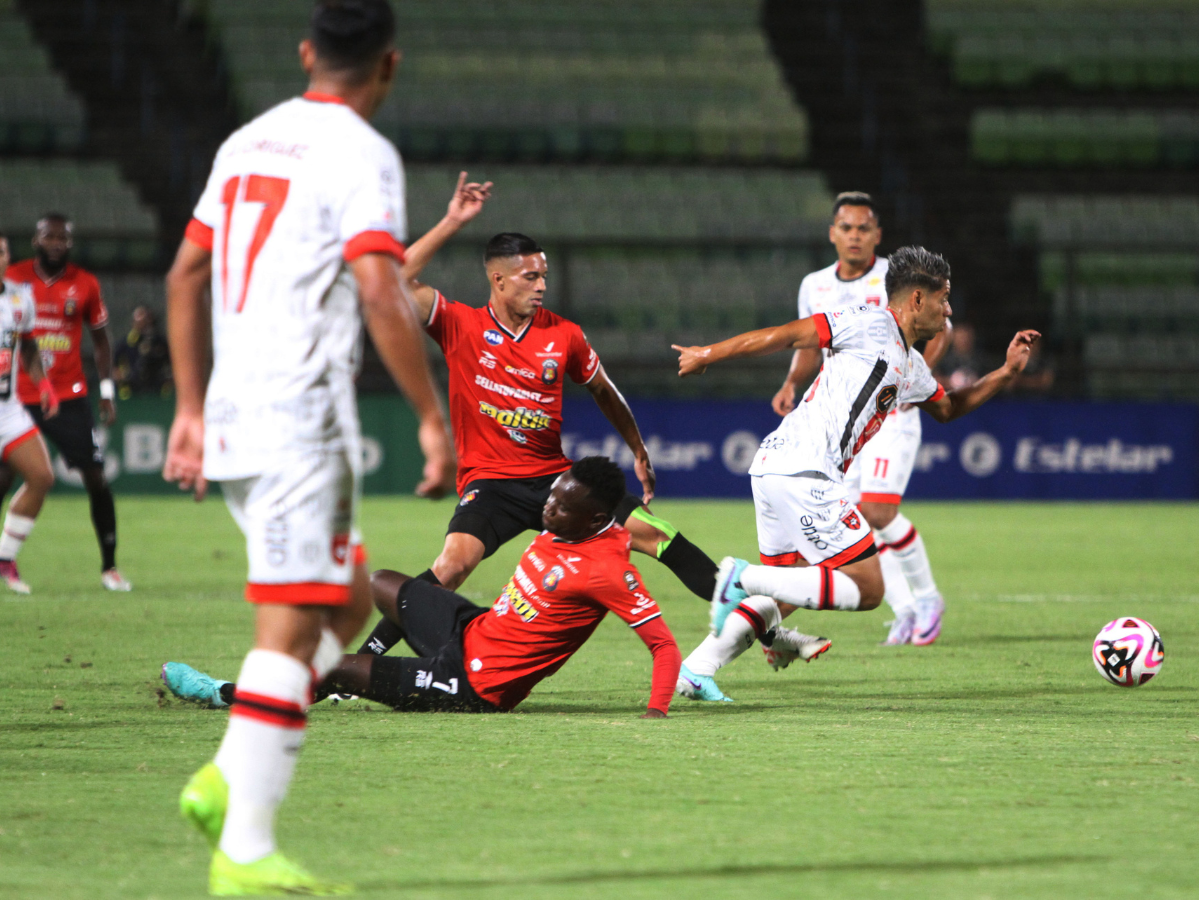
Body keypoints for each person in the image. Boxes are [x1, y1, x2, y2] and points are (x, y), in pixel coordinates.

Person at [162, 1, 455, 894]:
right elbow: (379, 287)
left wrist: (184, 407)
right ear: (389, 67)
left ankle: (226, 779)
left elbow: (185, 272)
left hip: (234, 410)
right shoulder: (361, 154)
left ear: (305, 54)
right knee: (297, 622)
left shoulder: (246, 141)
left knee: (335, 608)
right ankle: (243, 846)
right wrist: (431, 416)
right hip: (298, 419)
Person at [353, 177, 830, 668]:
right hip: (489, 482)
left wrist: (638, 450)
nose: (541, 286)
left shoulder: (564, 335)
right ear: (497, 280)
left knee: (657, 534)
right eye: (529, 277)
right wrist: (453, 221)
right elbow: (394, 279)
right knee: (452, 566)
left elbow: (604, 389)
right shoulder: (459, 323)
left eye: (544, 276)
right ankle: (362, 661)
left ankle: (769, 633)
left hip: (556, 482)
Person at [670, 246, 1040, 701]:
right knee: (867, 588)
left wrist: (1005, 372)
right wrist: (709, 353)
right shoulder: (866, 322)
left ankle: (697, 669)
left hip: (773, 469)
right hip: (805, 471)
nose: (948, 311)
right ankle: (741, 576)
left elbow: (948, 408)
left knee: (785, 595)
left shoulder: (912, 365)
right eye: (944, 299)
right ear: (918, 300)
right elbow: (787, 336)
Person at [163, 458, 683, 718]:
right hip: (471, 629)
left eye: (560, 507)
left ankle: (228, 695)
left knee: (333, 666)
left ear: (593, 517)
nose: (546, 510)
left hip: (474, 684)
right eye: (550, 497)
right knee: (383, 584)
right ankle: (359, 675)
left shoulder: (609, 568)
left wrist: (656, 715)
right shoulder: (565, 523)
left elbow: (663, 645)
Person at [771, 193, 951, 646]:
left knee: (876, 509)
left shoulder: (896, 277)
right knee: (854, 519)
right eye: (846, 227)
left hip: (892, 411)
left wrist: (914, 375)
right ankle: (907, 609)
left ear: (877, 235)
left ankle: (928, 599)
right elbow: (810, 343)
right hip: (845, 419)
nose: (854, 236)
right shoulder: (814, 284)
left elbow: (941, 329)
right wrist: (791, 382)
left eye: (863, 228)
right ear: (833, 233)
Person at [1, 213, 131, 591]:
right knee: (5, 478)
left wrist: (106, 391)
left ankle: (109, 567)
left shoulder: (85, 284)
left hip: (68, 396)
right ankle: (6, 559)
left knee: (95, 477)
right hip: (15, 399)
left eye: (63, 238)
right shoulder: (15, 278)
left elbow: (102, 342)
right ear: (35, 240)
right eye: (49, 236)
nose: (56, 243)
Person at [0, 232, 59, 594]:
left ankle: (5, 558)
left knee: (42, 477)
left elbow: (31, 348)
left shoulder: (20, 298)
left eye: (2, 250)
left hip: (8, 411)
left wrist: (44, 384)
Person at [113, 305, 171, 397]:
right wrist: (123, 375)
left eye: (145, 319)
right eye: (138, 318)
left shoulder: (160, 342)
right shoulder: (125, 343)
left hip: (156, 390)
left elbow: (170, 363)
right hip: (131, 390)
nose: (142, 322)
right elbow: (112, 367)